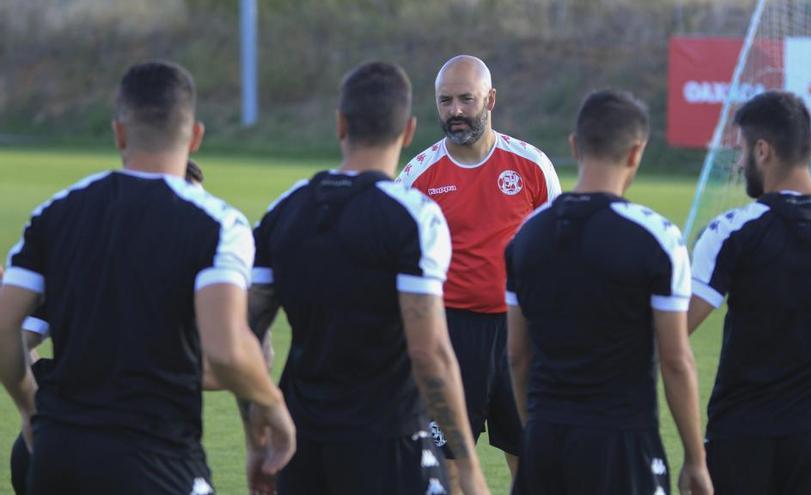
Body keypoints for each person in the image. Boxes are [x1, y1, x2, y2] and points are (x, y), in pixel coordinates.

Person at [0, 60, 295, 494]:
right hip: (155, 456)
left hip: (57, 454)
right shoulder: (218, 224)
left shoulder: (55, 213)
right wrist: (274, 408)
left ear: (119, 132)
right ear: (195, 136)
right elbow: (231, 351)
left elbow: (6, 327)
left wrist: (29, 407)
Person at [244, 61, 489, 495]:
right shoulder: (414, 217)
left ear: (341, 124)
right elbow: (429, 352)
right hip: (390, 443)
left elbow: (244, 335)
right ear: (409, 130)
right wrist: (468, 466)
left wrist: (258, 436)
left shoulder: (286, 210)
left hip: (302, 446)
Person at [506, 90, 713, 495]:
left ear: (574, 145)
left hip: (545, 439)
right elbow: (675, 361)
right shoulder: (658, 237)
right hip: (622, 442)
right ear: (636, 153)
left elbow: (516, 356)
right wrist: (695, 459)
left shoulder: (527, 237)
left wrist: (537, 432)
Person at [688, 90, 811, 494]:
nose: (739, 163)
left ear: (762, 150)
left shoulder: (729, 232)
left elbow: (675, 330)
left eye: (740, 150)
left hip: (739, 435)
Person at [6, 159, 222, 495]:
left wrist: (34, 403)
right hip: (142, 458)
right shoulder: (195, 278)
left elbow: (15, 337)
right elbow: (225, 366)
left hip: (49, 447)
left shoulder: (81, 262)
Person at [396, 54, 561, 489]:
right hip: (449, 333)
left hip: (518, 331)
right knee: (447, 459)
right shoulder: (417, 178)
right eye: (445, 100)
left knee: (528, 455)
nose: (455, 111)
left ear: (490, 99)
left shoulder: (532, 167)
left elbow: (556, 254)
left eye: (466, 99)